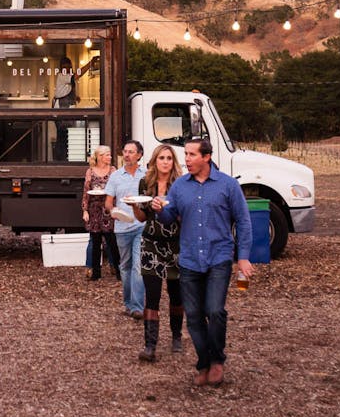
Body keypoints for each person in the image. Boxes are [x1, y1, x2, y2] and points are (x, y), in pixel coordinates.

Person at [151, 139, 253, 387]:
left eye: (192, 154)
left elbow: (243, 221)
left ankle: (217, 361)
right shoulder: (180, 188)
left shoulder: (227, 185)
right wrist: (158, 209)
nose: (186, 159)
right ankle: (204, 363)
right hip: (189, 259)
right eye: (185, 154)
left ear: (206, 157)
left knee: (215, 311)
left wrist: (243, 257)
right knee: (194, 316)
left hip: (218, 256)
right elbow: (170, 218)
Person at [134, 144, 185, 361]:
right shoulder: (146, 183)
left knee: (176, 295)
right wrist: (134, 206)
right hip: (151, 244)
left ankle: (176, 336)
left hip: (175, 245)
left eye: (169, 158)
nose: (165, 162)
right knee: (152, 296)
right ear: (154, 161)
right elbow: (142, 218)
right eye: (161, 158)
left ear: (173, 162)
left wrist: (165, 210)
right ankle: (150, 346)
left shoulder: (181, 186)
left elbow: (186, 218)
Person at [104, 141, 147, 319]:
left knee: (138, 266)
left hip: (141, 225)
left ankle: (137, 307)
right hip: (122, 227)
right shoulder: (115, 176)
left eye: (131, 152)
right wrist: (112, 210)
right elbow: (108, 201)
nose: (127, 155)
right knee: (126, 266)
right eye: (125, 151)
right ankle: (128, 304)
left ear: (139, 155)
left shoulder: (146, 175)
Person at [81, 145, 120, 282]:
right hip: (94, 209)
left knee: (112, 241)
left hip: (108, 209)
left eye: (110, 154)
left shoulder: (113, 170)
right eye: (107, 155)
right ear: (100, 156)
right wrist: (85, 210)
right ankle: (96, 272)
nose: (110, 157)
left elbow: (117, 188)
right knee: (95, 241)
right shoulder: (90, 172)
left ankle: (119, 271)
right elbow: (86, 192)